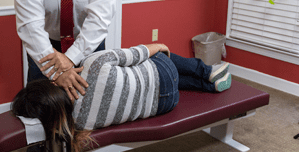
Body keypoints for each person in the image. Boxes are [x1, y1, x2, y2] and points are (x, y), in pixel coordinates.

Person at [12, 43, 231, 151]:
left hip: (166, 103)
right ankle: (207, 71)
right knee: (150, 58)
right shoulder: (93, 64)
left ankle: (207, 85)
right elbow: (143, 52)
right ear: (53, 84)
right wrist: (161, 45)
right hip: (164, 74)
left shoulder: (78, 124)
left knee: (138, 81)